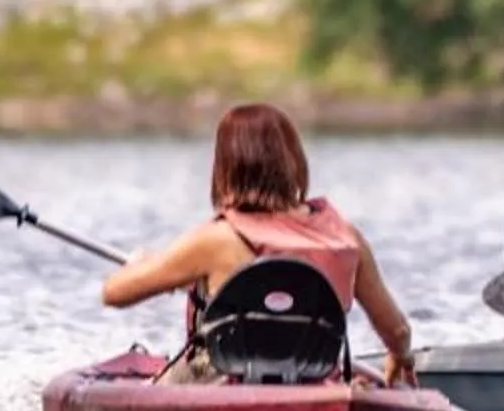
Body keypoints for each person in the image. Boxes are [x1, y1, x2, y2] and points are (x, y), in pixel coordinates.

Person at [103, 102, 418, 386]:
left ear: (226, 167)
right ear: (292, 161)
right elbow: (399, 331)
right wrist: (400, 358)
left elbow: (114, 293)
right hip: (316, 385)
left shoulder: (217, 240)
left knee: (138, 388)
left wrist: (145, 266)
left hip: (222, 386)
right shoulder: (344, 237)